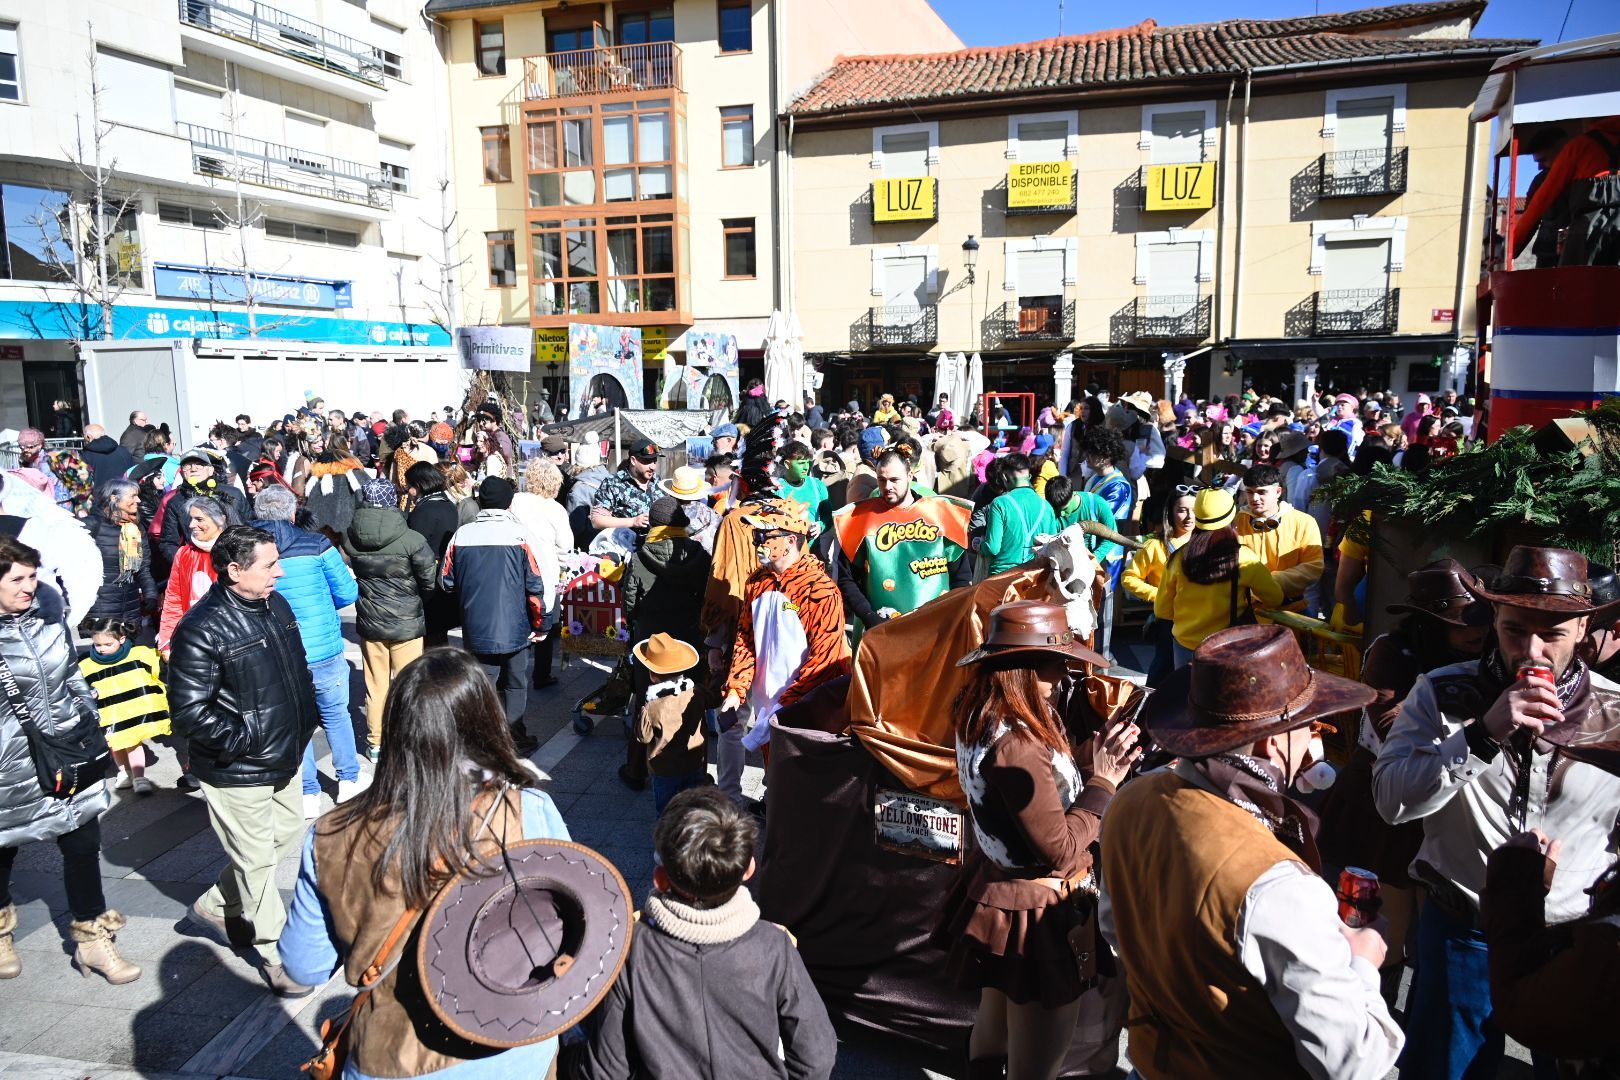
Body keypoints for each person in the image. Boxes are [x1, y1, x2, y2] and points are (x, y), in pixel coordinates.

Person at [1100, 624, 1399, 1077]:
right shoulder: (1277, 883)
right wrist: (1363, 961)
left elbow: (1116, 929)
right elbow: (1353, 1062)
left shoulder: (1129, 802)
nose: (1315, 743)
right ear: (1272, 741)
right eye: (1310, 725)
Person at [1373, 546, 1620, 1079]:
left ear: (1584, 629)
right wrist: (1482, 735)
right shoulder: (1441, 693)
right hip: (1466, 927)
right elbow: (1391, 803)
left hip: (1572, 935)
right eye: (1513, 630)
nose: (1529, 649)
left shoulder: (1616, 712)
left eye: (1552, 634)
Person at [279, 649, 571, 1076]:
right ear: (487, 722)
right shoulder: (527, 810)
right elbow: (568, 923)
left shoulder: (330, 836)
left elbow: (304, 966)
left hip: (391, 1058)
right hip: (513, 1048)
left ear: (396, 727)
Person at [938, 601, 1137, 1080]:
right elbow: (1062, 849)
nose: (1065, 675)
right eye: (1057, 665)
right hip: (1035, 914)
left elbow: (1038, 791)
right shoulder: (1017, 741)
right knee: (1036, 1065)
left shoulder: (982, 711)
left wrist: (1093, 757)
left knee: (992, 1033)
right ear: (1025, 669)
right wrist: (1105, 783)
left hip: (1005, 898)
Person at [578, 786, 837, 1080]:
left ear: (660, 879)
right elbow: (816, 1057)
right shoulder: (775, 946)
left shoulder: (629, 951)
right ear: (749, 869)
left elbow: (607, 1070)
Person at [1318, 560, 1493, 986]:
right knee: (1387, 925)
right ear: (1429, 622)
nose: (1474, 633)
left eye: (1479, 623)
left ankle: (1423, 1027)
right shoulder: (1393, 652)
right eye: (1459, 624)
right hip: (1386, 802)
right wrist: (1478, 730)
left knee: (1435, 931)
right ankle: (1375, 1017)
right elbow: (1391, 726)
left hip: (1447, 799)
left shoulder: (1487, 658)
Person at [167, 525, 320, 996]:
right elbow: (191, 709)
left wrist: (305, 720)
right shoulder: (201, 628)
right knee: (256, 860)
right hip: (237, 766)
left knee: (287, 833)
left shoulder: (276, 604)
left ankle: (217, 903)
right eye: (269, 565)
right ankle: (275, 952)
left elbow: (297, 668)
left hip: (286, 754)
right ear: (234, 571)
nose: (280, 571)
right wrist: (243, 740)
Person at [0, 537, 140, 984]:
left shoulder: (48, 618)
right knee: (4, 852)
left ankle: (93, 940)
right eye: (17, 578)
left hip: (70, 756)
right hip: (11, 768)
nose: (29, 586)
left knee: (82, 846)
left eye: (33, 576)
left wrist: (87, 712)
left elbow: (73, 675)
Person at [251, 485, 365, 817]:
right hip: (322, 645)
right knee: (336, 713)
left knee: (295, 722)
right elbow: (347, 592)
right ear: (292, 512)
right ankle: (349, 780)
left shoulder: (248, 549)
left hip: (277, 650)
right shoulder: (316, 544)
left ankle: (308, 791)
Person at [720, 500, 850, 754]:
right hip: (767, 705)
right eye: (756, 535)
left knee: (803, 781)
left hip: (808, 707)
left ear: (790, 541)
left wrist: (786, 706)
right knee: (775, 777)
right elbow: (745, 640)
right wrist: (736, 690)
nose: (758, 543)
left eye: (765, 536)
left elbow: (825, 658)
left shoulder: (819, 589)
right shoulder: (756, 582)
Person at [441, 477, 555, 755]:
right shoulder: (522, 535)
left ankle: (483, 739)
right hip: (515, 626)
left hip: (475, 627)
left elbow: (445, 581)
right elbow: (537, 585)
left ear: (480, 502)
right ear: (510, 502)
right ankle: (515, 737)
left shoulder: (462, 535)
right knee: (516, 683)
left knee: (482, 684)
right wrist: (543, 624)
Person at [620, 497, 712, 792]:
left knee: (646, 703)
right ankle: (698, 769)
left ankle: (636, 772)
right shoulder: (700, 555)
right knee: (693, 702)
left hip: (651, 642)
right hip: (690, 640)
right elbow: (708, 596)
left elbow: (630, 605)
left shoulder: (639, 557)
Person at [342, 478, 436, 764]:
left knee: (376, 684)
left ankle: (376, 743)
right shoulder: (411, 538)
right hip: (407, 620)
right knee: (409, 683)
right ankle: (409, 741)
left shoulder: (350, 535)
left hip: (371, 620)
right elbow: (428, 580)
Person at [833, 445, 972, 630]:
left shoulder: (940, 514)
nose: (887, 487)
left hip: (937, 627)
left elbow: (961, 577)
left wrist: (953, 617)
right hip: (881, 630)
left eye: (894, 480)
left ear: (909, 476)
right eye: (881, 480)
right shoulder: (859, 518)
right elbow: (846, 579)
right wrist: (869, 617)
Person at [1153, 488, 1284, 665]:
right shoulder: (1244, 557)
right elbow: (1275, 598)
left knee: (1186, 691)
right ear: (1232, 518)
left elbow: (1162, 610)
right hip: (1226, 646)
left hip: (1184, 645)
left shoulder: (1179, 557)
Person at [78, 616, 169, 795]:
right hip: (109, 714)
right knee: (115, 744)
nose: (102, 649)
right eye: (98, 645)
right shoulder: (86, 664)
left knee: (133, 743)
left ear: (121, 639)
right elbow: (81, 685)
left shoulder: (139, 654)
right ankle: (124, 772)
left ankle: (139, 776)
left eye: (107, 644)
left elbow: (156, 668)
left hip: (134, 713)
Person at [1513, 116, 1620, 265]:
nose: (1540, 167)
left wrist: (1511, 250)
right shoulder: (1540, 179)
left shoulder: (1579, 147)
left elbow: (1537, 206)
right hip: (1563, 249)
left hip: (1584, 243)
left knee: (1578, 287)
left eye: (1543, 159)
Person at [1121, 484, 1196, 687]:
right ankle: (1149, 712)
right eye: (1182, 510)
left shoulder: (1204, 541)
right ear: (1170, 513)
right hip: (1169, 621)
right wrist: (1159, 595)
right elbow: (1129, 577)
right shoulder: (1155, 545)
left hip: (1201, 619)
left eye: (1195, 510)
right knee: (1163, 670)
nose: (1190, 517)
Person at [629, 633, 711, 813]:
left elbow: (643, 737)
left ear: (652, 676)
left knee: (666, 813)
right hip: (694, 762)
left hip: (665, 770)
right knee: (694, 810)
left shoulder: (652, 706)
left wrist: (644, 709)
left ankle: (669, 839)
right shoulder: (696, 693)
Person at [513, 457, 573, 688]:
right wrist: (563, 568)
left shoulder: (516, 501)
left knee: (519, 618)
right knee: (545, 620)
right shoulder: (555, 509)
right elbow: (565, 545)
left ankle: (512, 674)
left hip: (517, 567)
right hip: (545, 570)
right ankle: (541, 674)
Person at [1233, 462, 1324, 611]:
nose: (1254, 498)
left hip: (1291, 609)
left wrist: (1266, 582)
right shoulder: (1236, 522)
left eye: (1261, 492)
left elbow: (1314, 566)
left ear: (1278, 492)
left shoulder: (1304, 522)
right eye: (1249, 492)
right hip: (1247, 610)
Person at [157, 495, 240, 653]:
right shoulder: (185, 554)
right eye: (191, 518)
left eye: (199, 519)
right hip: (195, 641)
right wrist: (167, 641)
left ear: (220, 519)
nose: (191, 524)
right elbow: (174, 600)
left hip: (233, 641)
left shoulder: (238, 551)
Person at [82, 478, 158, 632]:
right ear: (114, 499)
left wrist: (151, 594)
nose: (138, 500)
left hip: (130, 605)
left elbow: (143, 567)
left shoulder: (136, 528)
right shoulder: (91, 526)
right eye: (132, 496)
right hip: (100, 605)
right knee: (105, 650)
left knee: (129, 650)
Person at [156, 446, 247, 567]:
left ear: (210, 470)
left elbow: (249, 527)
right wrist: (185, 564)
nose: (193, 469)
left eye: (199, 464)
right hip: (196, 565)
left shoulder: (233, 494)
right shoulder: (175, 502)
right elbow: (168, 542)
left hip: (234, 561)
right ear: (182, 473)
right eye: (187, 466)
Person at [404, 461, 462, 648]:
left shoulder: (424, 510)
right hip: (446, 575)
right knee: (440, 633)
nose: (408, 491)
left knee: (431, 633)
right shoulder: (449, 505)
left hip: (429, 578)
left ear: (419, 485)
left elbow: (416, 548)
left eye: (410, 486)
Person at [980, 452, 1059, 577]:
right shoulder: (1047, 506)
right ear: (1029, 475)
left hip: (1001, 580)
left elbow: (992, 548)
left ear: (1005, 477)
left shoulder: (1000, 503)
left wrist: (980, 545)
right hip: (1035, 578)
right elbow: (1053, 547)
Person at [590, 437, 659, 535]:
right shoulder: (613, 483)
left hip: (658, 546)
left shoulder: (658, 482)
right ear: (633, 461)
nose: (653, 467)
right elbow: (597, 520)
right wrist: (633, 521)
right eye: (647, 462)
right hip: (625, 546)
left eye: (654, 461)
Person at [774, 440, 831, 533]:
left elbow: (828, 516)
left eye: (807, 462)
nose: (806, 467)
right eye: (801, 463)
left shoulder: (817, 485)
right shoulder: (776, 488)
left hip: (814, 547)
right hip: (788, 545)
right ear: (787, 464)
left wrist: (821, 526)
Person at [80, 424, 135, 488]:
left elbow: (84, 481)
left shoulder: (86, 455)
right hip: (123, 492)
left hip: (100, 495)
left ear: (88, 436)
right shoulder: (123, 450)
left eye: (83, 435)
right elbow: (132, 473)